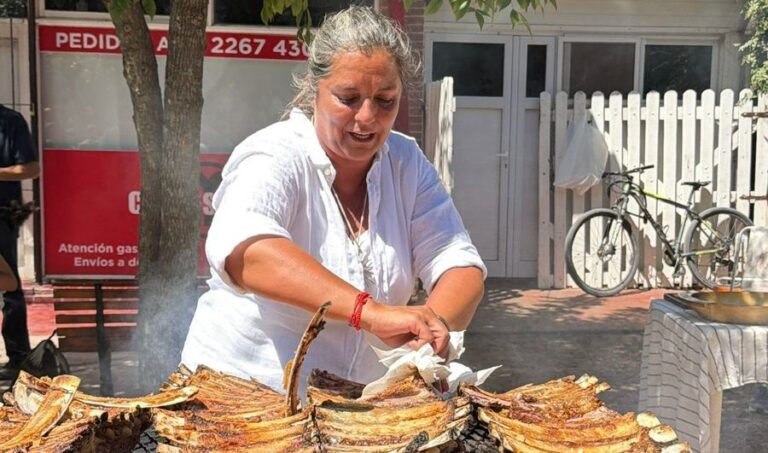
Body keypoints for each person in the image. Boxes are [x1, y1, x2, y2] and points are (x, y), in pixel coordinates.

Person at [181, 6, 486, 392]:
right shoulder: (273, 155)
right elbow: (247, 253)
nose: (367, 117)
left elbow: (459, 262)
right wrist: (368, 312)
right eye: (349, 98)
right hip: (245, 397)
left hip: (354, 407)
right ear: (315, 90)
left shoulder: (406, 162)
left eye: (385, 100)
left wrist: (433, 326)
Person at [0, 104, 38, 380]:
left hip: (2, 214)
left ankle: (18, 357)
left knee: (8, 287)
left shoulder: (10, 121)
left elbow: (32, 168)